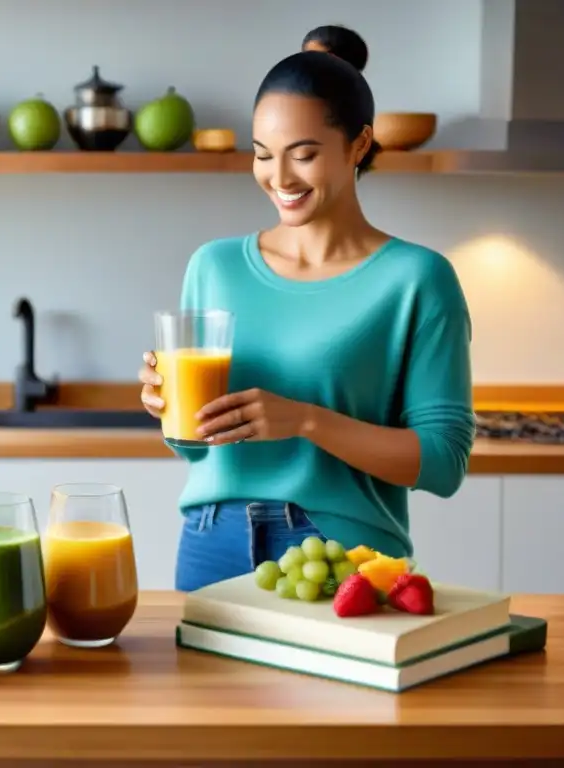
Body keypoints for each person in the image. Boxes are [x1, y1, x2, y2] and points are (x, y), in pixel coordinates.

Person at [139, 26, 476, 593]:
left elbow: (443, 463)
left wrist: (306, 420)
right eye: (263, 155)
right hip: (211, 541)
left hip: (343, 550)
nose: (280, 178)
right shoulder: (214, 267)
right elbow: (193, 446)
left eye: (304, 155)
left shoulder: (417, 279)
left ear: (359, 145)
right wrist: (166, 404)